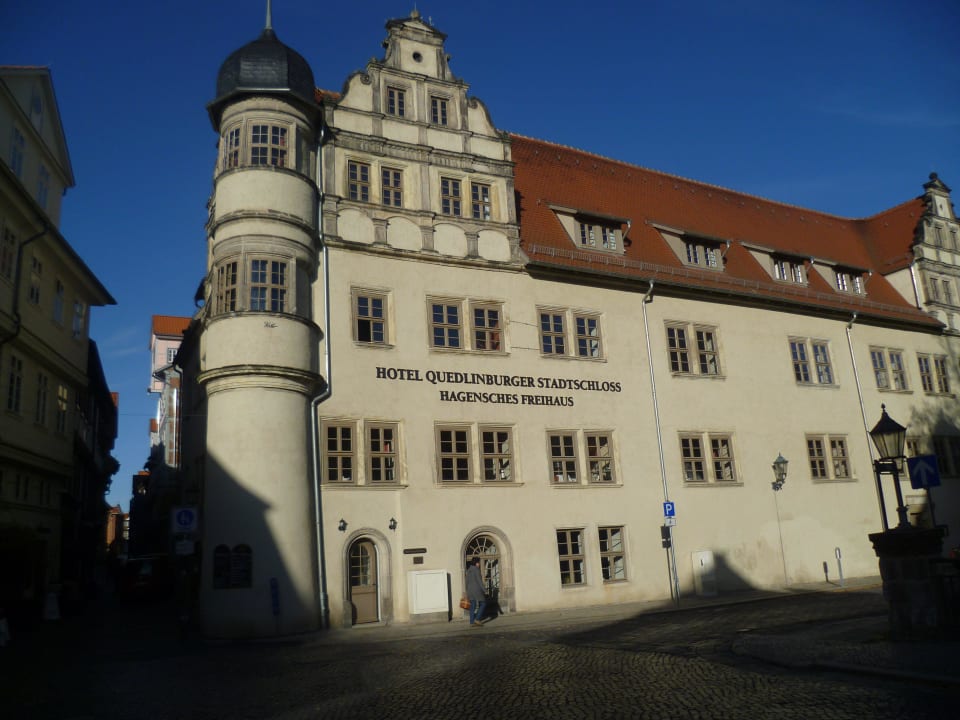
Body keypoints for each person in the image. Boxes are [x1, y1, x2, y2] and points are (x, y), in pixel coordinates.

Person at [465, 557, 487, 626]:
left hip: (470, 591)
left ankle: (471, 622)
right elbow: (479, 581)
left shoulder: (468, 570)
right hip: (477, 590)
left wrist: (467, 591)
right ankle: (477, 619)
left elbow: (466, 582)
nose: (479, 564)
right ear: (476, 563)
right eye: (478, 562)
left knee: (472, 606)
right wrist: (485, 590)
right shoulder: (476, 570)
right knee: (483, 603)